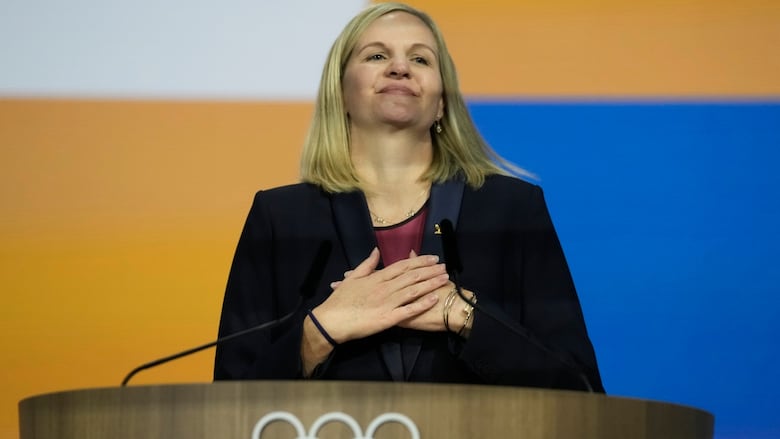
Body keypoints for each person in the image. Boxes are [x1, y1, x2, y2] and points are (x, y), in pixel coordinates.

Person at [214, 2, 604, 392]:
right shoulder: (281, 217)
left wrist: (464, 316)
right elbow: (227, 404)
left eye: (420, 58)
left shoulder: (512, 208)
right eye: (377, 55)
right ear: (341, 93)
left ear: (442, 103)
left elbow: (581, 390)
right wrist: (319, 333)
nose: (399, 67)